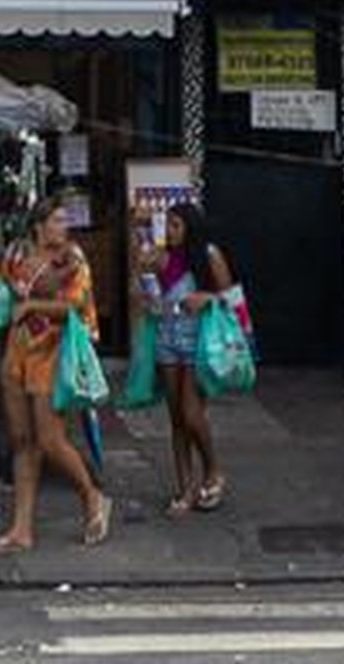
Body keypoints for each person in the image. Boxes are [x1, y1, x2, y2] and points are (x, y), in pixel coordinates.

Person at [0, 199, 112, 554]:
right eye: (57, 220)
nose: (64, 226)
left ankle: (92, 496)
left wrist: (33, 305)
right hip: (17, 349)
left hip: (53, 350)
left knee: (50, 438)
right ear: (39, 225)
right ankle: (21, 530)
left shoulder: (72, 258)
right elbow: (3, 292)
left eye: (65, 220)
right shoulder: (16, 254)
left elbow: (76, 305)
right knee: (22, 440)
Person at [140, 202, 236, 517]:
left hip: (200, 343)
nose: (170, 231)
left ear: (191, 227)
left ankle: (213, 470)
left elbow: (233, 300)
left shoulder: (209, 254)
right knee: (176, 419)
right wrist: (144, 278)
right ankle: (185, 488)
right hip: (167, 340)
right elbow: (149, 298)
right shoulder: (162, 258)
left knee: (191, 413)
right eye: (167, 224)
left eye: (176, 225)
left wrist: (207, 298)